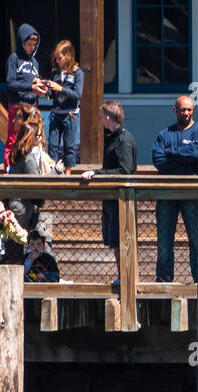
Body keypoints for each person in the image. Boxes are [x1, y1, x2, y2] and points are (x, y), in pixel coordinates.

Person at [79, 102, 137, 283]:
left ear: (108, 118)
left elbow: (124, 170)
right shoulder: (111, 138)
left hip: (122, 200)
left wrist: (97, 174)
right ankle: (122, 276)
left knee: (122, 241)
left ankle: (126, 277)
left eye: (102, 116)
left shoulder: (124, 140)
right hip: (112, 199)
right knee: (115, 241)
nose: (101, 120)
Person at [152, 95, 198, 283]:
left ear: (193, 110)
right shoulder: (164, 134)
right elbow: (159, 162)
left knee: (196, 240)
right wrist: (186, 161)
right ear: (175, 110)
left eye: (189, 109)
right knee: (164, 242)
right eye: (182, 110)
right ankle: (164, 280)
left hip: (192, 194)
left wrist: (171, 152)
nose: (186, 113)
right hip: (167, 194)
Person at [7, 107, 62, 232]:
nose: (41, 138)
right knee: (32, 238)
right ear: (31, 137)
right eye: (38, 136)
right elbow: (38, 184)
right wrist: (56, 171)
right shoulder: (28, 159)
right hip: (23, 209)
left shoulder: (17, 154)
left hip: (15, 205)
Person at [4, 24, 46, 171]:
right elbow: (10, 83)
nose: (32, 48)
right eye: (29, 44)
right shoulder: (14, 59)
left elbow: (33, 82)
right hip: (18, 105)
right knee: (14, 139)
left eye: (34, 44)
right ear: (22, 42)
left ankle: (32, 170)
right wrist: (30, 86)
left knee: (34, 139)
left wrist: (40, 88)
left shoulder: (35, 62)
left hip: (33, 105)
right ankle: (9, 171)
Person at [44, 40, 84, 170]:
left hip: (70, 113)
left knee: (69, 146)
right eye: (56, 58)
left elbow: (77, 94)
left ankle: (68, 175)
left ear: (68, 56)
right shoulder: (55, 72)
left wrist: (60, 88)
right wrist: (47, 90)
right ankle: (53, 172)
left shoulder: (77, 73)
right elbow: (52, 94)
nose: (57, 61)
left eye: (59, 58)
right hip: (56, 112)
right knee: (53, 145)